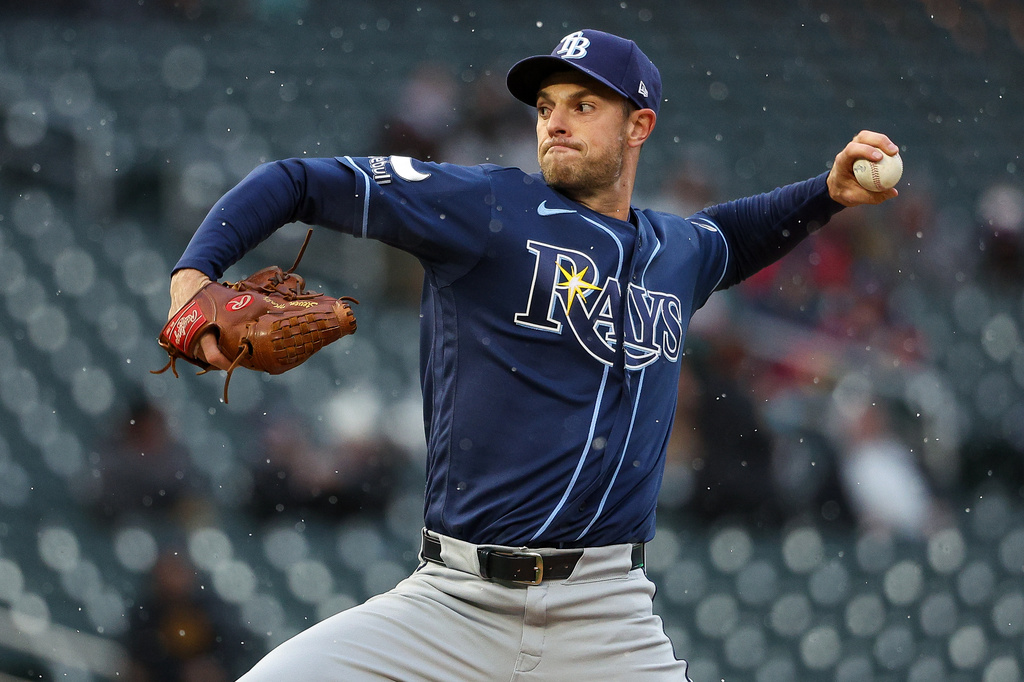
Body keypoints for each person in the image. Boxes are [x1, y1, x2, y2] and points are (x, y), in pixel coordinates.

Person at [166, 29, 899, 682]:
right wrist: (193, 275)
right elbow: (298, 182)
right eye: (547, 104)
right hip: (453, 605)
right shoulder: (487, 206)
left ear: (639, 125)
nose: (555, 119)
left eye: (584, 104)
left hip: (607, 618)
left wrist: (824, 194)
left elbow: (733, 236)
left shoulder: (679, 253)